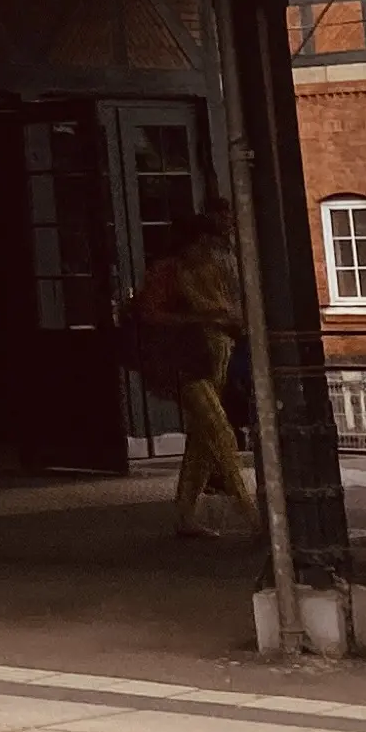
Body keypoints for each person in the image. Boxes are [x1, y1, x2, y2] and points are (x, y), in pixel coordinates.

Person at [125, 213, 255, 539]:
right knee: (218, 430)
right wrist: (200, 317)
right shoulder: (172, 271)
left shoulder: (200, 269)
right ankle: (248, 510)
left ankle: (186, 513)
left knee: (202, 438)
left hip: (205, 356)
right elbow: (151, 313)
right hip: (184, 360)